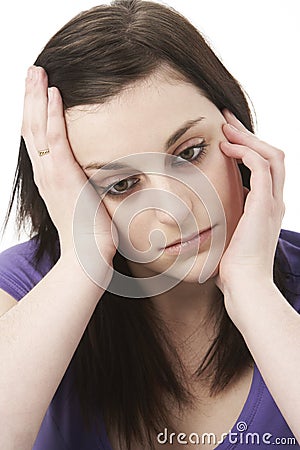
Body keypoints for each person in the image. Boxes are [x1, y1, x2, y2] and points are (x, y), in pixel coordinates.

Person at [0, 0, 299, 449]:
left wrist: (252, 290)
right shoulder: (25, 288)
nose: (175, 208)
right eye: (122, 184)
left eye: (190, 153)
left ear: (237, 133)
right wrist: (83, 265)